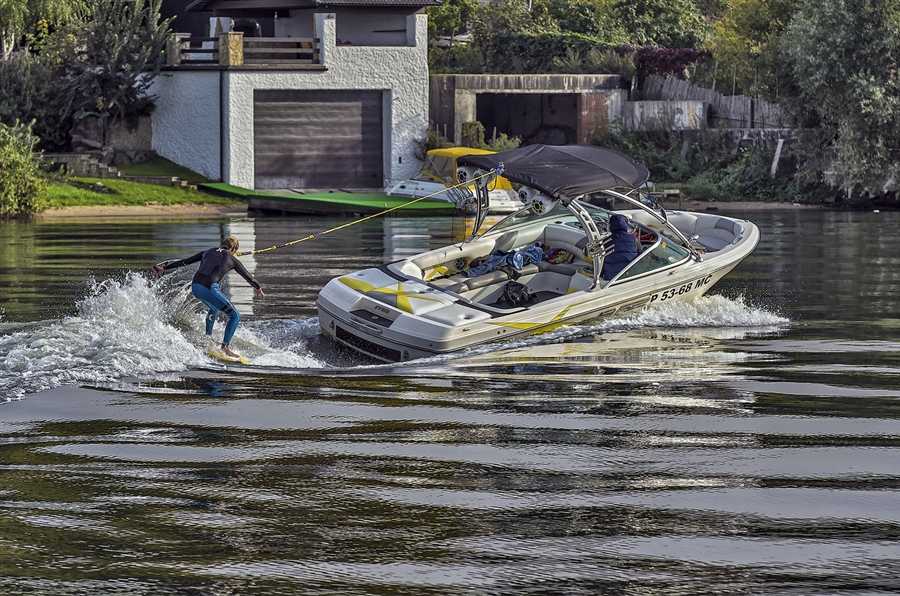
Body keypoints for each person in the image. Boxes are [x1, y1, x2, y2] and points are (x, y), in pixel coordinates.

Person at [153, 236, 264, 359]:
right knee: (235, 316)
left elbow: (185, 261)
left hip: (195, 287)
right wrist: (258, 288)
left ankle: (209, 337)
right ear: (233, 249)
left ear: (223, 245)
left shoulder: (207, 251)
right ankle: (225, 347)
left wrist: (164, 268)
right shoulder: (233, 260)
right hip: (209, 289)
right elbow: (249, 277)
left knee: (214, 308)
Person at [601, 213, 639, 280]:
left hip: (611, 278)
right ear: (625, 225)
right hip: (631, 275)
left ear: (611, 226)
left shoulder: (606, 241)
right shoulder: (634, 239)